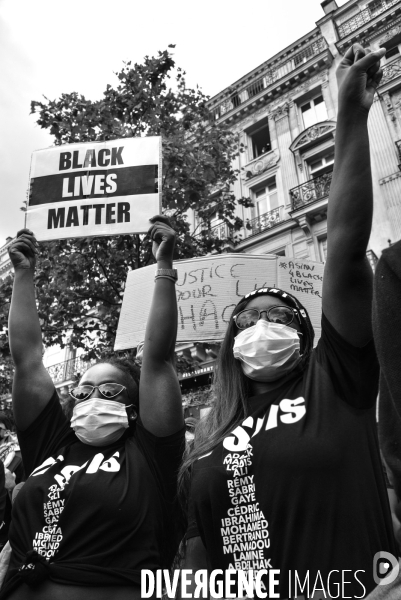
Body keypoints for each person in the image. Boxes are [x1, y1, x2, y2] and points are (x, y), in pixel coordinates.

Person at [181, 44, 397, 599]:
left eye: (277, 316)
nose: (260, 326)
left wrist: (350, 118)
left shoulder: (337, 380)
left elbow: (346, 250)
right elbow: (202, 558)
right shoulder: (208, 438)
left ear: (307, 333)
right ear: (230, 346)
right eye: (246, 321)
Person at [2, 216, 185, 600]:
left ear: (136, 409)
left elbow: (158, 358)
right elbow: (28, 360)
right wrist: (23, 275)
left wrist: (164, 268)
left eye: (110, 390)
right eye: (84, 392)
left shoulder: (150, 453)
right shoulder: (52, 443)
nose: (93, 398)